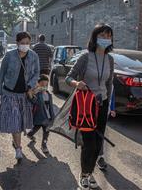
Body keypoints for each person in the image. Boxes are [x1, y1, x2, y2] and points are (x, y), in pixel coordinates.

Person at [65, 23, 114, 189]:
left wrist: (110, 106)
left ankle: (90, 172)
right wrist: (76, 83)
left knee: (99, 143)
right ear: (95, 37)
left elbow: (110, 84)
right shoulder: (85, 57)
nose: (106, 39)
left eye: (108, 36)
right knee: (89, 143)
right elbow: (68, 77)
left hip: (103, 104)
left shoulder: (110, 59)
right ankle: (84, 174)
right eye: (102, 36)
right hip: (87, 105)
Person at [0, 31, 40, 160]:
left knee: (21, 122)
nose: (25, 45)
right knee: (15, 121)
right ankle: (19, 148)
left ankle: (16, 142)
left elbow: (37, 72)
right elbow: (2, 74)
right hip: (10, 94)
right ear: (17, 43)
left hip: (24, 95)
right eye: (22, 43)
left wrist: (31, 86)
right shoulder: (9, 56)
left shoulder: (34, 56)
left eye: (27, 43)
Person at [26, 74, 55, 154]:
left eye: (46, 85)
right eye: (42, 84)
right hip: (39, 116)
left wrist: (53, 116)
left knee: (46, 131)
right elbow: (32, 101)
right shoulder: (36, 93)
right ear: (38, 84)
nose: (44, 87)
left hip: (47, 117)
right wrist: (32, 93)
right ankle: (30, 134)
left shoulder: (49, 94)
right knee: (36, 127)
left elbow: (51, 107)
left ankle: (44, 145)